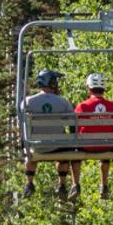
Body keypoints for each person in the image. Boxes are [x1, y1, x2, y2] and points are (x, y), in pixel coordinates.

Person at [20, 69, 75, 198]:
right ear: (52, 83)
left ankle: (29, 183)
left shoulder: (27, 102)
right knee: (64, 153)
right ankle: (61, 184)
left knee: (30, 151)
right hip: (57, 146)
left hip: (37, 145)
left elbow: (22, 123)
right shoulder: (62, 102)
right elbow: (72, 122)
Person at [72, 73, 113, 199]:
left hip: (86, 146)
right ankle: (104, 185)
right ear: (103, 88)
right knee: (105, 152)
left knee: (74, 152)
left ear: (89, 88)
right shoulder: (111, 106)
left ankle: (75, 184)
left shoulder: (83, 106)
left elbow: (74, 127)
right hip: (107, 145)